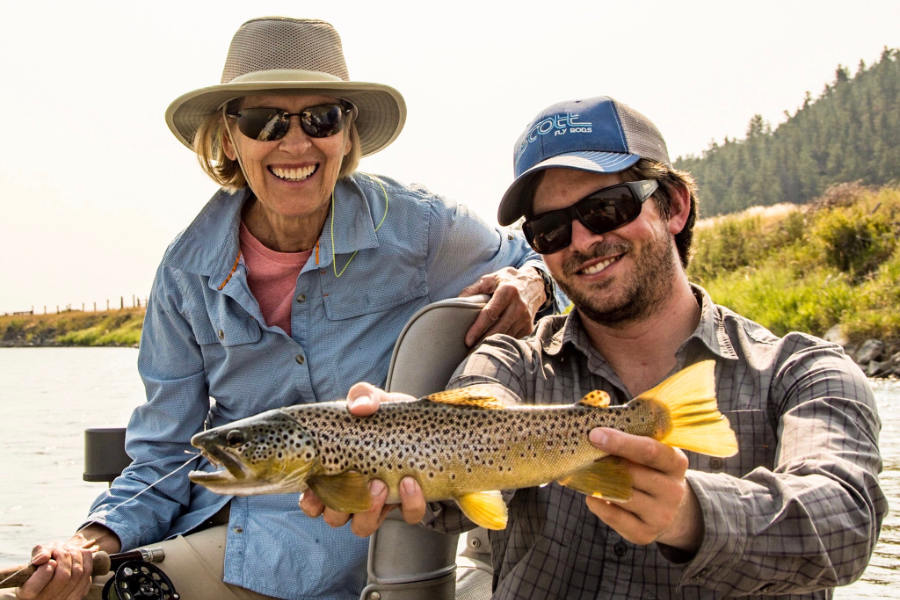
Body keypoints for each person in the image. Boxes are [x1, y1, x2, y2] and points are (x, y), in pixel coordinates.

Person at [12, 17, 559, 600]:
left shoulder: (421, 228)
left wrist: (533, 283)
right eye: (264, 121)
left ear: (347, 134)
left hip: (376, 547)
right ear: (230, 138)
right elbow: (163, 458)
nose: (294, 144)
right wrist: (87, 542)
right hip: (224, 527)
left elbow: (550, 253)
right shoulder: (183, 272)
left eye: (320, 118)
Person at [320, 96, 888, 599]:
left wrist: (691, 514)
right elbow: (473, 417)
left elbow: (844, 523)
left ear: (674, 206)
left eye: (606, 209)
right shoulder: (511, 361)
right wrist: (397, 445)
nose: (584, 241)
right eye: (552, 230)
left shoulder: (803, 372)